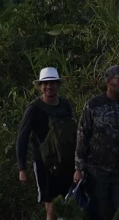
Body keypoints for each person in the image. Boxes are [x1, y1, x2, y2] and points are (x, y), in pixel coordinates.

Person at [74, 65, 119, 220]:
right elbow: (82, 135)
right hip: (97, 172)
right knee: (97, 213)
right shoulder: (93, 105)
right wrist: (79, 168)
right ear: (109, 81)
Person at [16, 67, 76, 220]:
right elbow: (22, 138)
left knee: (68, 204)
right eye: (45, 83)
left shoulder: (65, 105)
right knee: (51, 206)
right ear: (40, 86)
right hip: (44, 163)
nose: (49, 86)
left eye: (52, 83)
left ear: (58, 84)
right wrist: (22, 168)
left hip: (65, 162)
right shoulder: (33, 109)